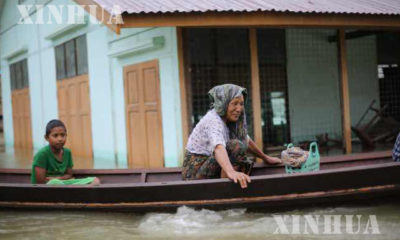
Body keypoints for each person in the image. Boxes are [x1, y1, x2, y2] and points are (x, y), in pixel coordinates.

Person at [182, 84, 281, 188]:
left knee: (243, 155)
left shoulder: (229, 121)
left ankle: (233, 186)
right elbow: (218, 147)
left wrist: (265, 158)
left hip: (209, 165)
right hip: (194, 175)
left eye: (241, 104)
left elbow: (245, 139)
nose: (239, 109)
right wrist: (231, 172)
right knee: (236, 146)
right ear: (223, 104)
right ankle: (225, 190)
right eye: (234, 104)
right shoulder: (213, 120)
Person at [31, 119, 100, 185]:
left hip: (63, 183)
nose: (60, 139)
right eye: (55, 136)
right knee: (54, 183)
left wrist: (58, 178)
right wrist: (57, 180)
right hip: (46, 187)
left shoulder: (67, 152)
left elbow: (69, 174)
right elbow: (40, 182)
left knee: (95, 181)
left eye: (62, 135)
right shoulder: (42, 154)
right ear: (46, 137)